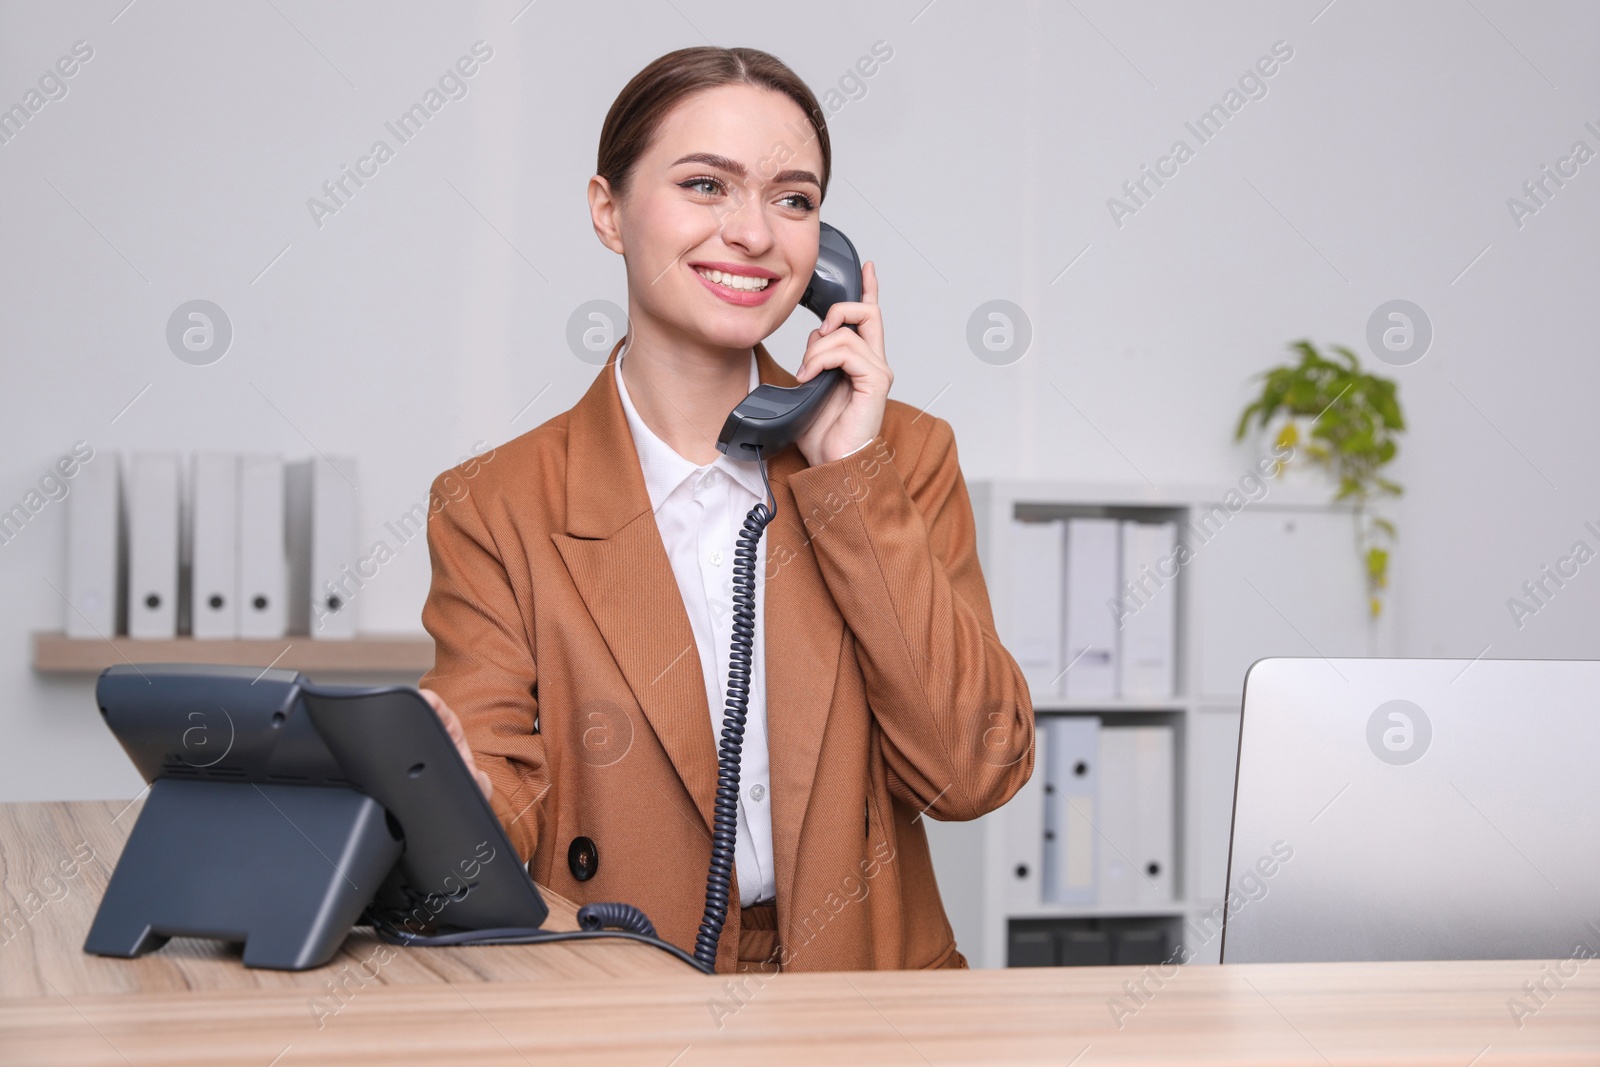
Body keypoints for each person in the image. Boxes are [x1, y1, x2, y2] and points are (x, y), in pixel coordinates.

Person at [417, 45, 1033, 974]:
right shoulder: (494, 504)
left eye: (793, 199)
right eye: (707, 185)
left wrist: (849, 484)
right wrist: (446, 792)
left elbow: (973, 771)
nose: (753, 233)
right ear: (608, 211)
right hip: (613, 989)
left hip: (867, 994)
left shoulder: (900, 455)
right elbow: (500, 800)